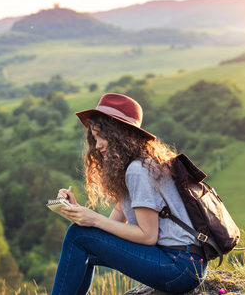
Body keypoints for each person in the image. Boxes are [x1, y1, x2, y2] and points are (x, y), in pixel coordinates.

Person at [52, 93, 206, 294]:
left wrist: (94, 220)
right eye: (94, 138)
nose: (97, 146)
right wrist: (79, 212)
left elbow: (148, 236)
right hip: (182, 263)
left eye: (101, 137)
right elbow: (111, 227)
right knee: (82, 241)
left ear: (119, 134)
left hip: (179, 267)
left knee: (77, 236)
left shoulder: (138, 170)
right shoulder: (133, 167)